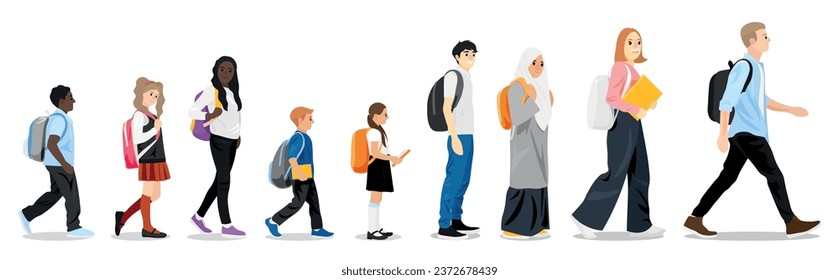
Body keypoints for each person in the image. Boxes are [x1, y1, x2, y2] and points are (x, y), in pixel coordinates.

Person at [683, 22, 820, 239]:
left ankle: (694, 218)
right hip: (748, 133)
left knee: (727, 177)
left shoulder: (756, 68)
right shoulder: (744, 67)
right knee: (774, 174)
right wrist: (721, 134)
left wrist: (790, 109)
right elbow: (726, 102)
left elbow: (760, 100)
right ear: (752, 41)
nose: (769, 39)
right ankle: (791, 222)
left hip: (745, 133)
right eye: (765, 36)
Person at [571, 28, 664, 239]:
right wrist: (634, 108)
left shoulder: (633, 70)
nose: (635, 46)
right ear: (621, 46)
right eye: (630, 42)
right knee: (616, 173)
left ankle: (640, 225)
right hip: (622, 124)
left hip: (635, 123)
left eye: (638, 42)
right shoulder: (620, 67)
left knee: (641, 172)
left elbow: (633, 95)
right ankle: (585, 218)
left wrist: (649, 102)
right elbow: (612, 98)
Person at [19, 85, 94, 237]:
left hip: (54, 163)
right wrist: (65, 164)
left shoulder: (57, 118)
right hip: (59, 164)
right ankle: (74, 227)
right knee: (72, 194)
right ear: (61, 101)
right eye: (70, 98)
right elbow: (52, 143)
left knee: (55, 193)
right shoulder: (60, 120)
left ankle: (27, 214)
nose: (74, 101)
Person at [188, 56, 246, 238]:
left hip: (232, 141)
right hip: (219, 141)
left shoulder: (233, 91)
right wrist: (209, 115)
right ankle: (226, 225)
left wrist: (238, 135)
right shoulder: (211, 90)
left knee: (219, 181)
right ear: (216, 71)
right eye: (222, 69)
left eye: (230, 70)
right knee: (224, 182)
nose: (226, 73)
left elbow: (234, 116)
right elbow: (192, 111)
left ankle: (198, 216)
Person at [501, 48, 554, 240]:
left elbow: (544, 115)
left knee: (539, 179)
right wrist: (531, 98)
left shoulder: (542, 88)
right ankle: (513, 228)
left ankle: (536, 225)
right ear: (525, 64)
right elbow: (517, 117)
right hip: (524, 142)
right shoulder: (518, 86)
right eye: (534, 63)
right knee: (524, 179)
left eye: (541, 64)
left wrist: (543, 100)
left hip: (539, 141)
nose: (538, 68)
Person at [264, 107, 334, 238]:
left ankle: (317, 229)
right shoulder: (299, 137)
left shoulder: (305, 137)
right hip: (300, 176)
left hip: (308, 175)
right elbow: (292, 158)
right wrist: (299, 174)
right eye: (310, 118)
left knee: (314, 202)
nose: (313, 121)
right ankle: (273, 221)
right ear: (300, 120)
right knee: (297, 203)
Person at [115, 77, 168, 238]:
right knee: (147, 193)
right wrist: (155, 129)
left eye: (156, 95)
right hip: (148, 158)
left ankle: (123, 217)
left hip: (156, 157)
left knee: (155, 195)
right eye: (151, 93)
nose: (154, 97)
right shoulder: (140, 115)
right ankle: (147, 227)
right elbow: (139, 138)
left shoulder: (149, 114)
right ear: (142, 94)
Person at [437, 40, 480, 240]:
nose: (471, 56)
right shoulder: (453, 76)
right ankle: (444, 224)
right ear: (457, 57)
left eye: (473, 53)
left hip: (468, 134)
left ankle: (456, 218)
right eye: (466, 53)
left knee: (464, 179)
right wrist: (454, 137)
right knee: (453, 180)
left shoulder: (467, 77)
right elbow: (447, 108)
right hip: (458, 135)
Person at [364, 103, 404, 240]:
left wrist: (390, 159)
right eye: (385, 114)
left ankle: (376, 227)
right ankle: (371, 230)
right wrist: (391, 157)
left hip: (381, 164)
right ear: (376, 116)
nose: (387, 117)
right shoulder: (374, 132)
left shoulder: (378, 130)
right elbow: (374, 152)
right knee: (375, 197)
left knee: (378, 197)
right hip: (377, 165)